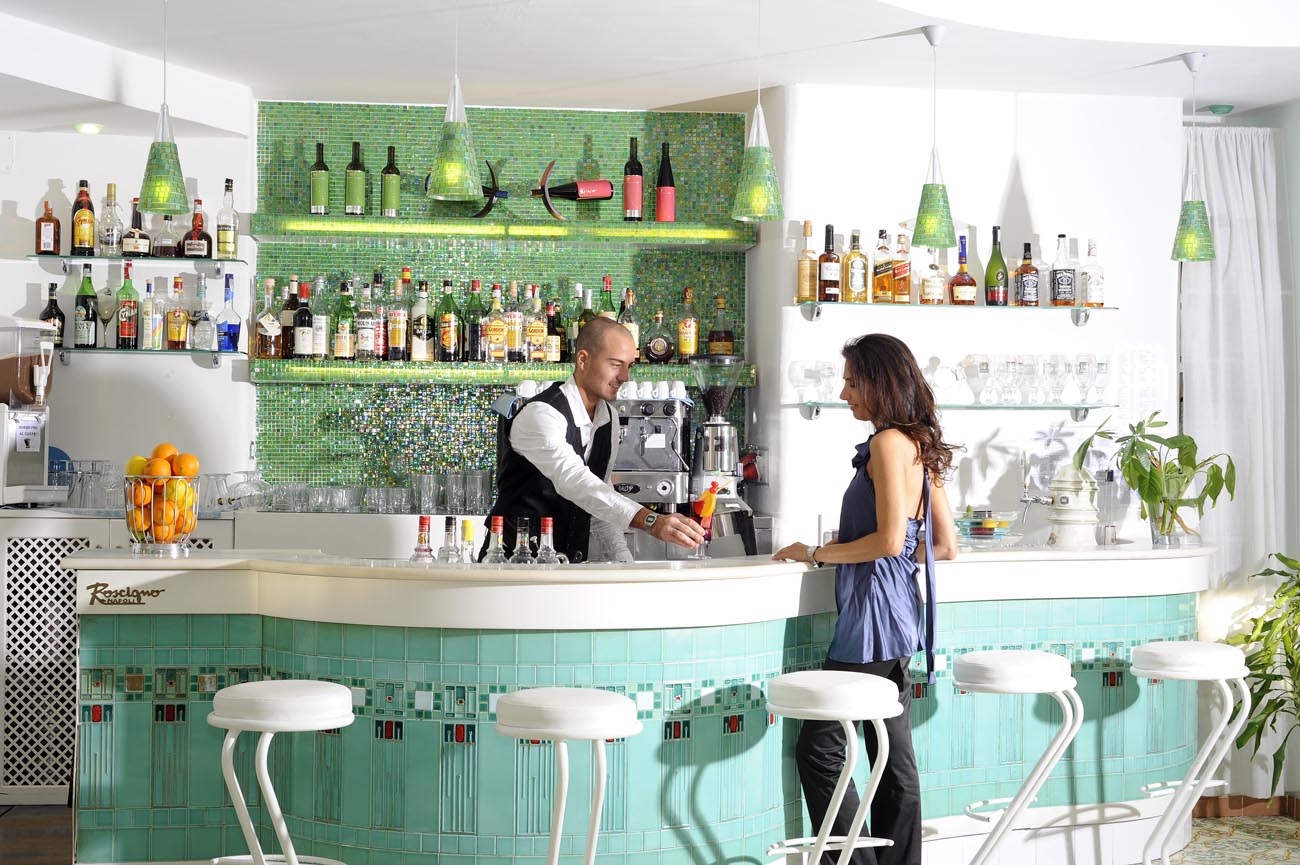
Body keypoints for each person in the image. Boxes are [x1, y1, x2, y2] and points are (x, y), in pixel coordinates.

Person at [774, 333, 958, 865]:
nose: (844, 393)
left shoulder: (887, 443)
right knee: (890, 754)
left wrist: (817, 552)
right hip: (899, 611)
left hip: (872, 618)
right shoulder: (918, 443)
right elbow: (944, 546)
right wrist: (870, 552)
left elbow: (888, 541)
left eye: (853, 382)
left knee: (821, 748)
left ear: (880, 383)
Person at [484, 316, 705, 562]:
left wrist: (625, 564)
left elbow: (601, 504)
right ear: (583, 360)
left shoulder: (608, 418)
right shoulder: (542, 414)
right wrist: (651, 520)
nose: (625, 377)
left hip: (564, 566)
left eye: (629, 366)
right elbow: (575, 481)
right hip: (511, 563)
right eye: (615, 364)